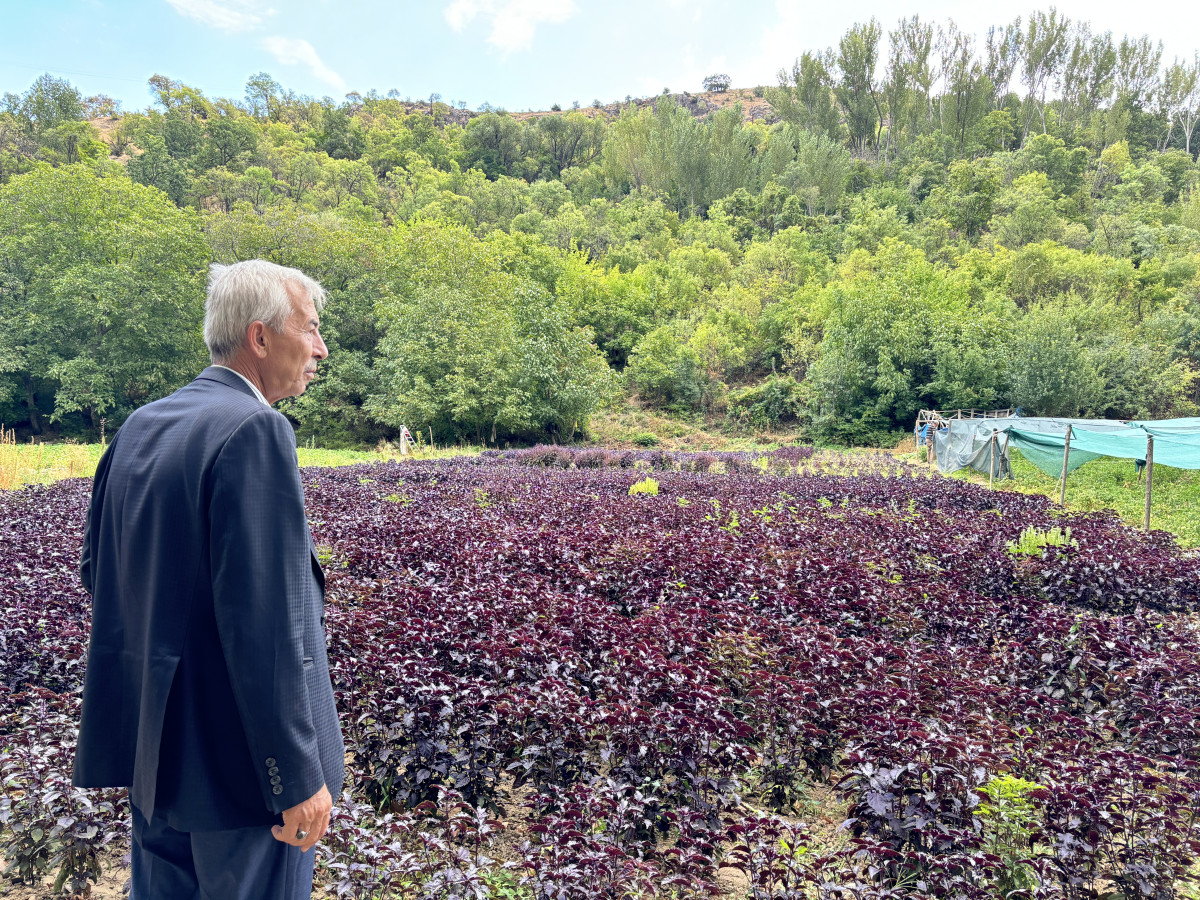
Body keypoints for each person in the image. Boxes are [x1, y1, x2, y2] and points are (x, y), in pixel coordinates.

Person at [72, 259, 344, 900]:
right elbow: (267, 631)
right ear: (259, 337)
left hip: (156, 767)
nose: (320, 348)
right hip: (241, 786)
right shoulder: (257, 430)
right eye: (309, 328)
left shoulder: (140, 427)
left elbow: (101, 576)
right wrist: (295, 775)